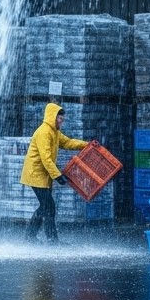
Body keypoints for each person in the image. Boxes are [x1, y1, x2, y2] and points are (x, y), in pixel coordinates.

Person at [19, 101, 91, 243]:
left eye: (63, 120)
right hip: (36, 174)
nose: (61, 122)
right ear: (52, 117)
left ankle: (32, 236)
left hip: (44, 175)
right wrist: (58, 176)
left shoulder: (55, 132)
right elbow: (46, 158)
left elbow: (68, 142)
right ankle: (50, 239)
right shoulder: (44, 132)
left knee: (46, 206)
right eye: (59, 119)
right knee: (49, 206)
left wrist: (86, 145)